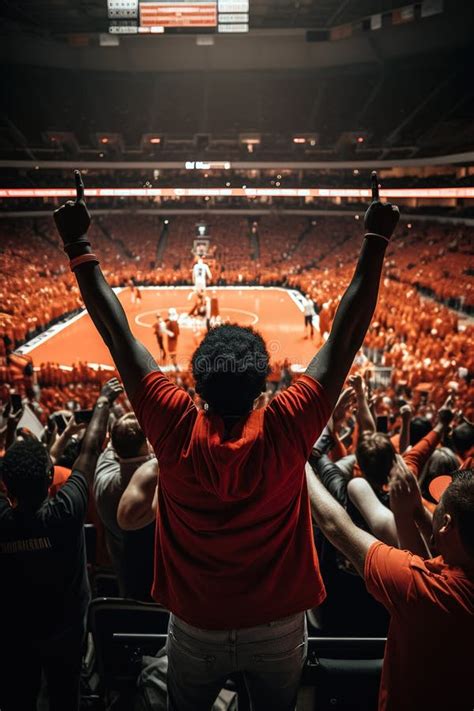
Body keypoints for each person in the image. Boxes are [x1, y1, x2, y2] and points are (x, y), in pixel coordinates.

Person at [53, 170, 399, 711]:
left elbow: (118, 334)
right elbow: (347, 335)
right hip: (280, 621)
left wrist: (78, 245)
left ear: (196, 386)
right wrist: (375, 241)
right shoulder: (288, 423)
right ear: (266, 385)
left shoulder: (172, 425)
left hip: (196, 622)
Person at [306, 464, 474, 711]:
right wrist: (417, 512)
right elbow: (435, 562)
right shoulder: (447, 582)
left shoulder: (421, 586)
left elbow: (336, 527)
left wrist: (298, 458)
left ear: (446, 524)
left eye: (438, 505)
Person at [0, 378, 123, 711]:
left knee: (19, 696)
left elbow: (88, 449)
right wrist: (103, 400)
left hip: (15, 631)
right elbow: (92, 446)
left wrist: (10, 434)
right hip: (65, 631)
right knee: (66, 696)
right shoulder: (65, 511)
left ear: (7, 490)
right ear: (48, 478)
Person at [93, 412, 155, 596]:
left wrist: (120, 430)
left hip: (124, 581)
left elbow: (108, 449)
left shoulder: (103, 480)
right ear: (146, 443)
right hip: (160, 583)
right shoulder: (163, 478)